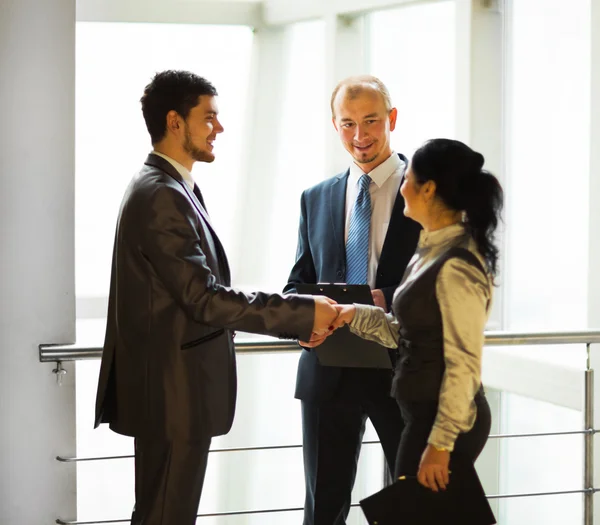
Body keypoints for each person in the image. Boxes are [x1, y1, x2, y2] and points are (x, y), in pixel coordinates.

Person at [93, 70, 337, 525]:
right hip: (171, 396)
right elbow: (203, 299)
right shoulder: (161, 194)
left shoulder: (169, 185)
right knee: (166, 515)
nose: (218, 128)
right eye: (209, 117)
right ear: (175, 122)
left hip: (169, 394)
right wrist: (302, 314)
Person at [284, 75, 421, 525]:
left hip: (402, 370)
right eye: (347, 124)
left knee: (419, 503)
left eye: (371, 122)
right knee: (322, 509)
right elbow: (296, 284)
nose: (360, 137)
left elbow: (446, 283)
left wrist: (392, 300)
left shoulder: (426, 194)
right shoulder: (316, 198)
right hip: (328, 371)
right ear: (334, 125)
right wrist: (302, 324)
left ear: (392, 120)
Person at [333, 138, 503, 501]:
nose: (401, 188)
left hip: (444, 423)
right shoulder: (430, 250)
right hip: (423, 415)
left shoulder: (457, 265)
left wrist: (441, 445)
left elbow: (464, 364)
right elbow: (405, 332)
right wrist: (351, 315)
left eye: (407, 178)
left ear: (428, 189)